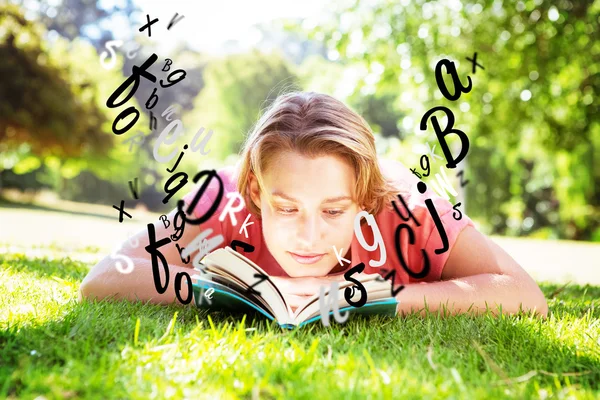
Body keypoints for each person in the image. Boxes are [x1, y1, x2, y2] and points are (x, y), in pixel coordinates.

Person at [79, 91, 548, 318]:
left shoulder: (410, 207)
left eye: (333, 211)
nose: (308, 237)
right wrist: (247, 292)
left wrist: (372, 297)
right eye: (286, 209)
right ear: (258, 193)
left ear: (363, 198)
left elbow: (525, 297)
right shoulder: (224, 198)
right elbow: (106, 275)